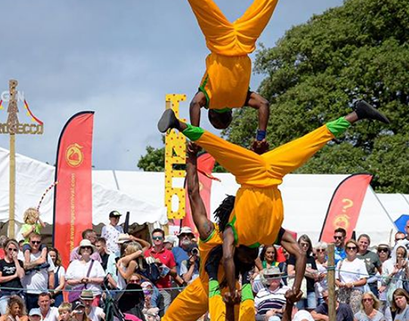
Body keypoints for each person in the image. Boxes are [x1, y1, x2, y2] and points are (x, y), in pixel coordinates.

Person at [158, 99, 389, 299]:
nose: (250, 257)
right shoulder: (270, 235)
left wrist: (231, 287)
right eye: (252, 259)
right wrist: (295, 288)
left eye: (245, 259)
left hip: (249, 173)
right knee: (315, 140)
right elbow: (299, 254)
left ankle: (177, 123)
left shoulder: (233, 233)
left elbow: (227, 257)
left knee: (216, 145)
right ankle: (358, 113)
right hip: (274, 171)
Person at [152, 0, 327, 148]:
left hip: (245, 40)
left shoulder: (241, 99)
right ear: (213, 115)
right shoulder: (211, 98)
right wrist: (195, 137)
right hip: (221, 41)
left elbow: (263, 105)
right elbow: (195, 104)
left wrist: (261, 137)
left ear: (230, 114)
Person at [134, 143, 257, 321]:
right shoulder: (247, 238)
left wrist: (190, 159)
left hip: (204, 289)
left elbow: (193, 195)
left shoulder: (210, 233)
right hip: (233, 291)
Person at [287, 235, 320, 310]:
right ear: (298, 245)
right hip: (299, 290)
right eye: (302, 244)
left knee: (312, 311)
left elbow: (315, 274)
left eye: (307, 245)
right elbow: (290, 273)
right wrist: (306, 271)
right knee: (299, 311)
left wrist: (301, 271)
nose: (305, 246)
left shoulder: (311, 259)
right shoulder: (293, 257)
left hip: (310, 290)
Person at [335, 240, 368, 313]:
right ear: (346, 249)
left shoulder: (360, 263)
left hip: (356, 291)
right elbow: (336, 279)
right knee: (341, 313)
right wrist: (340, 284)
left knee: (354, 313)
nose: (351, 249)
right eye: (349, 248)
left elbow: (364, 280)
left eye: (353, 248)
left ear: (357, 250)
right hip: (342, 291)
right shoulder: (340, 263)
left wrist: (352, 284)